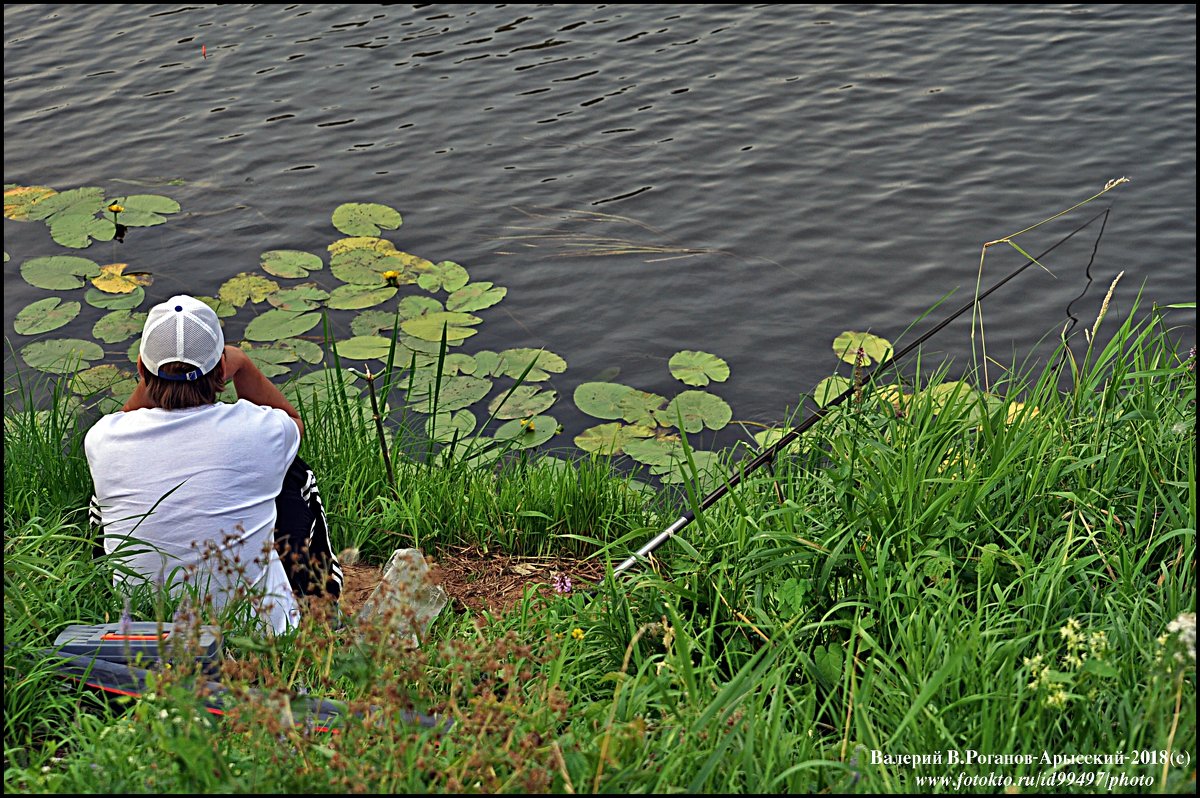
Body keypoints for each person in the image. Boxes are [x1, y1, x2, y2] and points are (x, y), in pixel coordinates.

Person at [85, 295, 342, 634]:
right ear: (222, 369)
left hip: (145, 630)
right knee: (296, 473)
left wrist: (159, 377)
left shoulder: (102, 438)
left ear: (140, 371)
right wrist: (245, 364)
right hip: (258, 631)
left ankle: (105, 593)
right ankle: (321, 600)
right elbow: (293, 421)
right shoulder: (260, 430)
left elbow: (130, 413)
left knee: (102, 497)